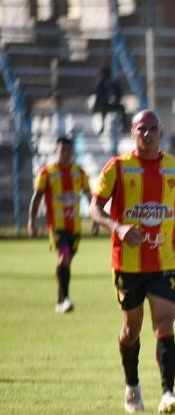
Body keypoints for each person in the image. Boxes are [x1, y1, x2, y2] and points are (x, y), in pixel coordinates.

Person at [89, 110, 175, 415]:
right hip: (128, 265)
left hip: (164, 261)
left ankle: (168, 393)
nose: (148, 134)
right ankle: (132, 386)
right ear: (132, 132)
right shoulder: (118, 167)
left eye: (153, 129)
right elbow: (95, 209)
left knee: (165, 322)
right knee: (131, 330)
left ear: (161, 132)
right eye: (141, 129)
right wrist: (118, 227)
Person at [28, 135, 93, 314]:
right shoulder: (47, 173)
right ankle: (65, 299)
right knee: (63, 258)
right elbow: (37, 198)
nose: (65, 153)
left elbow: (89, 195)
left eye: (68, 150)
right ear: (56, 151)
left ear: (72, 152)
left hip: (75, 227)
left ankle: (60, 301)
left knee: (66, 263)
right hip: (57, 226)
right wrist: (31, 221)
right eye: (62, 150)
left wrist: (95, 220)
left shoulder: (79, 172)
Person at [91, 67, 125, 135]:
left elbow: (119, 93)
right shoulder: (100, 85)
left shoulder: (114, 84)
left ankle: (124, 127)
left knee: (122, 108)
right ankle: (103, 126)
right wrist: (96, 105)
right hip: (105, 104)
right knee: (103, 106)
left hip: (115, 103)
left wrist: (115, 99)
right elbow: (98, 96)